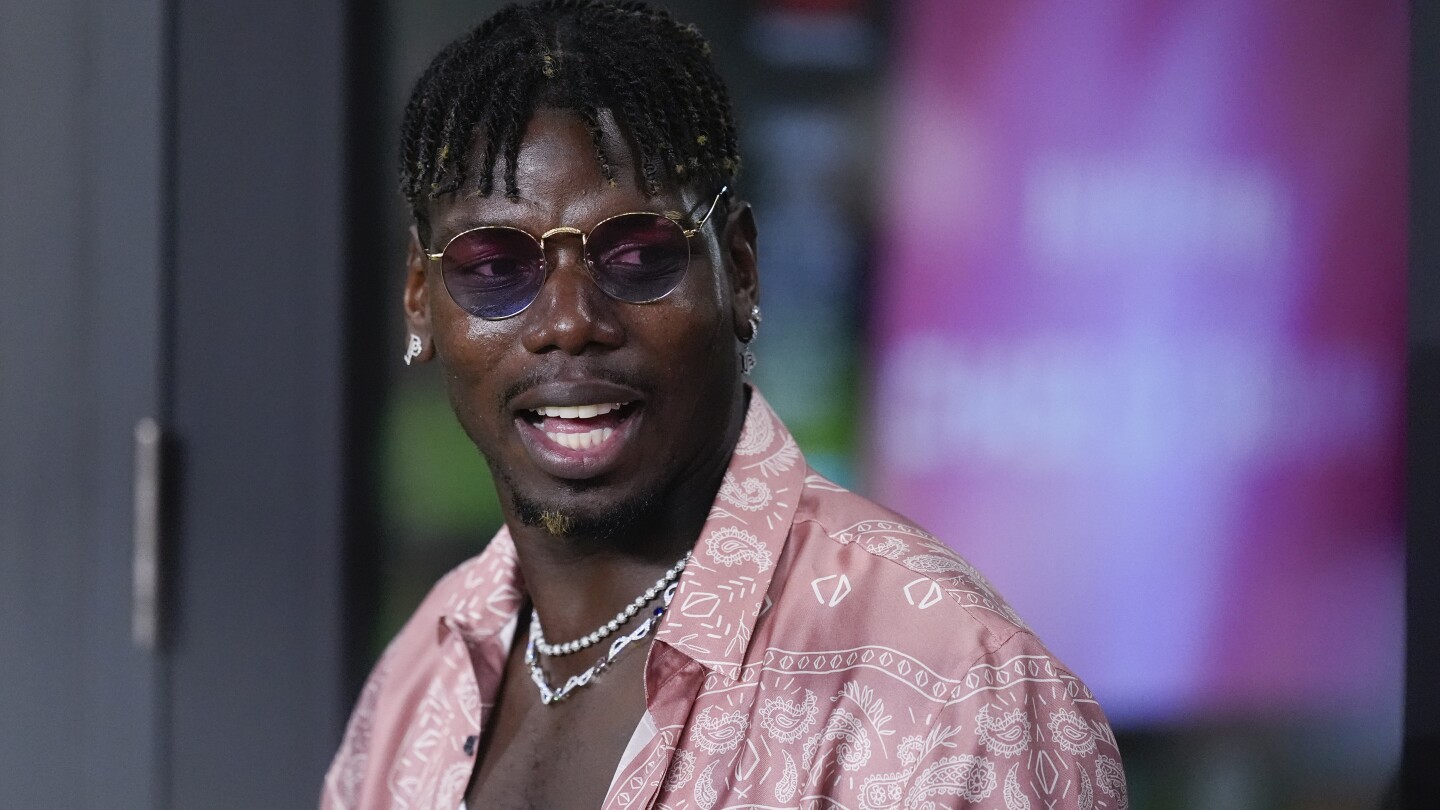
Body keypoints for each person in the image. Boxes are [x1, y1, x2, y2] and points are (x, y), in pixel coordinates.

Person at [322, 2, 1127, 808]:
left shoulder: (959, 699)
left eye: (638, 255)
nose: (569, 322)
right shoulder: (419, 679)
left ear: (739, 270)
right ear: (420, 299)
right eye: (495, 267)